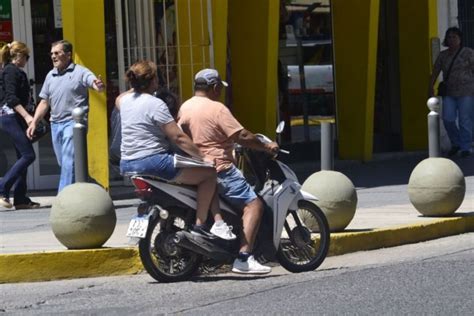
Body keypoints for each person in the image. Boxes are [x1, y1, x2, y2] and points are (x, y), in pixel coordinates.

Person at [117, 60, 235, 240]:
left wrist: (136, 86)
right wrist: (204, 157)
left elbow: (123, 96)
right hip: (153, 161)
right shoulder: (155, 104)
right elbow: (178, 138)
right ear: (153, 80)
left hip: (127, 163)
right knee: (209, 174)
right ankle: (200, 225)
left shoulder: (124, 101)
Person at [178, 68, 280, 274]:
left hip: (195, 167)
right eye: (219, 88)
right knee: (254, 205)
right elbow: (240, 136)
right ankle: (244, 257)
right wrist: (265, 145)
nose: (220, 92)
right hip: (221, 168)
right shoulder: (217, 109)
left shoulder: (185, 107)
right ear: (215, 87)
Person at [26, 40, 105, 192]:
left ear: (68, 55)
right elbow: (44, 102)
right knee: (67, 164)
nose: (53, 57)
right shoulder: (51, 75)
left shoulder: (80, 72)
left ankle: (63, 198)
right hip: (55, 124)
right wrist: (34, 122)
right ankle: (97, 189)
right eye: (51, 54)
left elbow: (94, 83)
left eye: (57, 53)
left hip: (73, 124)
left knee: (69, 163)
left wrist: (98, 86)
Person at [0, 41, 40, 210]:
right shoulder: (10, 71)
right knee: (28, 155)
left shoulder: (15, 71)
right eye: (26, 56)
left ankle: (20, 198)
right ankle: (3, 187)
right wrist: (28, 117)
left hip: (15, 117)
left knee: (21, 155)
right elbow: (11, 98)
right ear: (18, 56)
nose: (27, 60)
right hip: (10, 117)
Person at [429, 27, 474, 158]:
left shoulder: (468, 53)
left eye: (455, 37)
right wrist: (430, 86)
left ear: (460, 39)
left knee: (465, 120)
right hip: (449, 92)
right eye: (449, 37)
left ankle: (465, 146)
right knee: (448, 119)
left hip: (466, 91)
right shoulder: (443, 55)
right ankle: (456, 143)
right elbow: (435, 71)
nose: (452, 39)